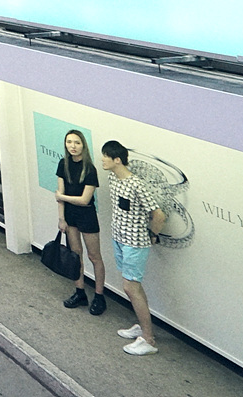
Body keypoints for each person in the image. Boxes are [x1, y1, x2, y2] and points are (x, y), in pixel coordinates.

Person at [99, 140, 166, 355]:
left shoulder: (137, 184)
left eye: (106, 156)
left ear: (117, 160)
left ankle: (148, 339)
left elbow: (158, 215)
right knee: (132, 285)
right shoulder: (112, 178)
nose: (102, 160)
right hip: (119, 238)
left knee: (130, 287)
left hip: (134, 243)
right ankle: (142, 326)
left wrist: (152, 234)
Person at [55, 130, 108, 315]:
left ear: (83, 145)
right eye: (69, 142)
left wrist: (62, 197)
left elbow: (84, 200)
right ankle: (80, 292)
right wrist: (61, 219)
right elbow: (60, 194)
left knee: (94, 256)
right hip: (70, 216)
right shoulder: (63, 164)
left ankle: (99, 296)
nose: (73, 146)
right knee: (75, 255)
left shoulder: (90, 169)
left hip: (87, 215)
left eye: (77, 142)